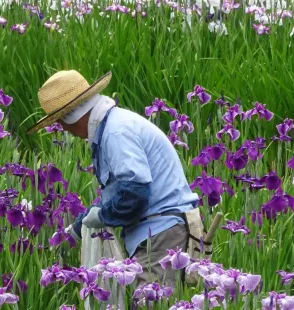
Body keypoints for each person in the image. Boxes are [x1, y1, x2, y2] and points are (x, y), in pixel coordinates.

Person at [27, 70, 201, 289]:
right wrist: (77, 228)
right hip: (159, 231)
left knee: (151, 303)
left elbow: (135, 194)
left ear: (73, 115)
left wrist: (103, 216)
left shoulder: (115, 133)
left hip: (162, 233)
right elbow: (117, 192)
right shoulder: (111, 126)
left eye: (61, 121)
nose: (64, 130)